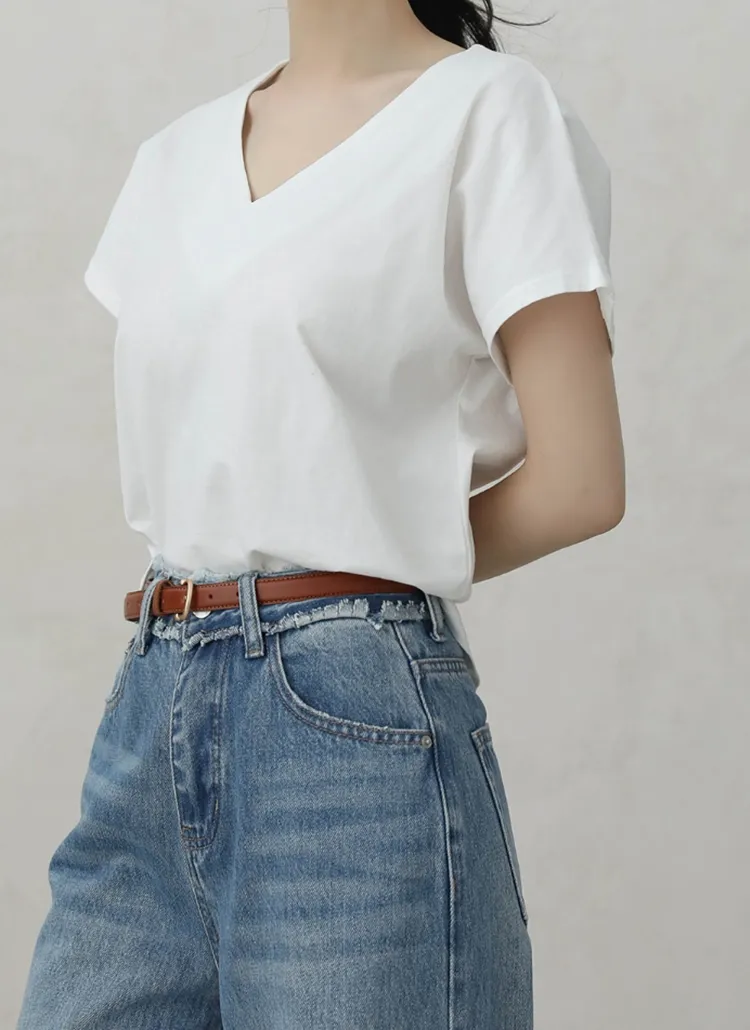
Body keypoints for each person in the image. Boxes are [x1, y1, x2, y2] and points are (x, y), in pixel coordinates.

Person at [16, 0, 625, 1027]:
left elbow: (582, 482)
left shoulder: (488, 113)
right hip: (152, 700)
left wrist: (352, 571)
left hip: (349, 717)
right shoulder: (174, 159)